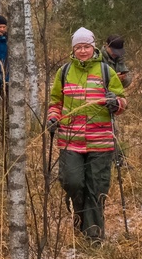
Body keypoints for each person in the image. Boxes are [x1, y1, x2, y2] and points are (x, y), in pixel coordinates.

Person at [47, 27, 127, 245]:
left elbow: (122, 101)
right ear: (73, 49)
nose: (83, 51)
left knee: (97, 187)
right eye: (79, 47)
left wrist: (115, 103)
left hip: (100, 141)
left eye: (86, 47)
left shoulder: (105, 71)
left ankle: (93, 235)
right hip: (70, 140)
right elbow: (55, 102)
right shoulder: (64, 72)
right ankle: (79, 214)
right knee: (72, 182)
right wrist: (53, 117)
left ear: (94, 47)